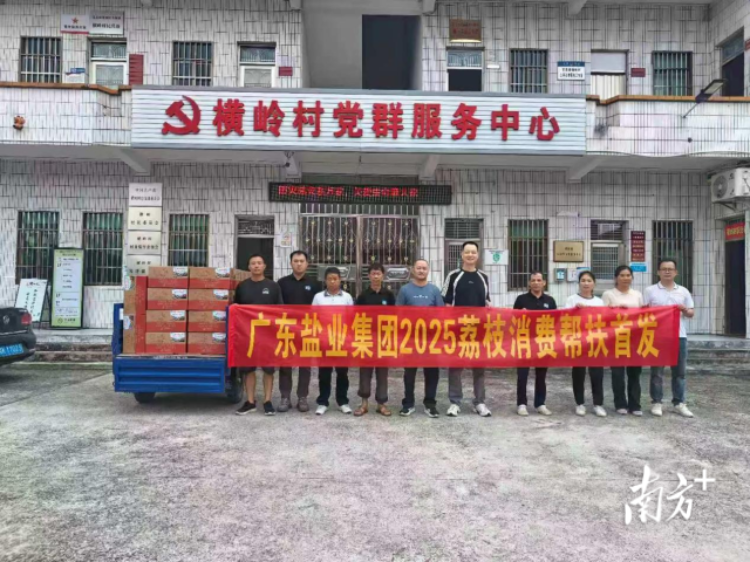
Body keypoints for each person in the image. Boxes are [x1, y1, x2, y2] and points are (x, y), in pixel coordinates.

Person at [442, 241, 492, 418]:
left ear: (477, 256)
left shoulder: (483, 277)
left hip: (479, 331)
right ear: (462, 255)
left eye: (473, 252)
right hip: (458, 331)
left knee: (479, 367)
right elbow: (446, 303)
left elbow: (487, 302)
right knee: (456, 366)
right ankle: (455, 402)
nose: (470, 255)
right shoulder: (453, 276)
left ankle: (479, 402)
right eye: (467, 252)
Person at [644, 258, 695, 418]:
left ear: (676, 272)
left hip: (679, 336)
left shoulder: (683, 291)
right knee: (657, 372)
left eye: (670, 269)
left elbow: (691, 313)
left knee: (679, 372)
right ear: (658, 272)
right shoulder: (650, 291)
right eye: (664, 269)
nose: (667, 271)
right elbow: (643, 312)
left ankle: (679, 403)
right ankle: (656, 402)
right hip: (658, 337)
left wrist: (684, 309)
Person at [234, 254, 283, 417]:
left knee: (268, 369)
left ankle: (267, 401)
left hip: (268, 335)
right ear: (249, 267)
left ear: (264, 266)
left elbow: (279, 310)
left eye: (259, 263)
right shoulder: (242, 286)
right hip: (247, 334)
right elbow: (237, 309)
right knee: (248, 369)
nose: (256, 266)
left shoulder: (273, 286)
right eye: (253, 263)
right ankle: (250, 401)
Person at [396, 259, 444, 418]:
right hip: (410, 339)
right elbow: (398, 314)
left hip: (430, 340)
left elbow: (441, 314)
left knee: (432, 373)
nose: (421, 271)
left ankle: (430, 404)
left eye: (424, 268)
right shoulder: (405, 290)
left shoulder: (434, 290)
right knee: (409, 373)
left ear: (428, 271)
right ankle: (408, 403)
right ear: (413, 270)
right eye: (418, 268)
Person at [277, 250, 322, 413]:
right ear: (291, 263)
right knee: (285, 364)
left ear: (307, 264)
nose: (298, 264)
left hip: (307, 329)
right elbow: (277, 306)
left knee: (305, 365)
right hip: (287, 328)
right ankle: (285, 397)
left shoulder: (315, 284)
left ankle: (302, 397)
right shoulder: (281, 283)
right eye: (295, 261)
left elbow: (319, 308)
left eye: (302, 261)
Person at [354, 263, 395, 417]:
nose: (376, 276)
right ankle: (364, 403)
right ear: (369, 276)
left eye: (378, 273)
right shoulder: (363, 296)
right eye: (373, 273)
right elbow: (356, 317)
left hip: (384, 339)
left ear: (383, 276)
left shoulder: (389, 295)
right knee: (365, 371)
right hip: (366, 338)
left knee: (382, 372)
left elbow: (394, 316)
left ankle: (381, 404)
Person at [602, 265, 644, 416]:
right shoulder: (608, 294)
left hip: (634, 339)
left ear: (632, 277)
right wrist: (616, 309)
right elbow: (603, 316)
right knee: (617, 374)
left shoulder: (637, 295)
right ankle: (620, 404)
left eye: (628, 275)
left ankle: (635, 405)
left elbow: (642, 316)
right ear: (616, 278)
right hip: (616, 339)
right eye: (622, 275)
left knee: (635, 374)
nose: (625, 278)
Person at [312, 267, 354, 416]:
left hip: (342, 340)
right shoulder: (318, 297)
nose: (332, 281)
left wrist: (349, 339)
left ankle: (342, 401)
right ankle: (323, 402)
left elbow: (351, 318)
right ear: (325, 280)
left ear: (340, 280)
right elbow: (313, 317)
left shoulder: (347, 297)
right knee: (324, 373)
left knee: (342, 373)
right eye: (329, 278)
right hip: (324, 340)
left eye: (335, 278)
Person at [513, 271, 557, 417]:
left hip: (543, 343)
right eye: (533, 280)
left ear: (544, 283)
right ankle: (521, 404)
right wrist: (520, 315)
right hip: (525, 342)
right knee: (522, 375)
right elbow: (513, 321)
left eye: (539, 280)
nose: (536, 283)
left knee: (541, 375)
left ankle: (540, 403)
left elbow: (556, 322)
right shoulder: (521, 300)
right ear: (529, 283)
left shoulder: (550, 301)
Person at [564, 270, 607, 418]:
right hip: (578, 342)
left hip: (595, 342)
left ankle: (598, 404)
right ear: (579, 283)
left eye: (589, 281)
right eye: (583, 280)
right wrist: (575, 311)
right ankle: (580, 403)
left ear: (594, 283)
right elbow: (564, 320)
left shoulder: (599, 302)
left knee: (597, 374)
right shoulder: (571, 300)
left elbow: (604, 322)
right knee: (578, 374)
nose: (586, 283)